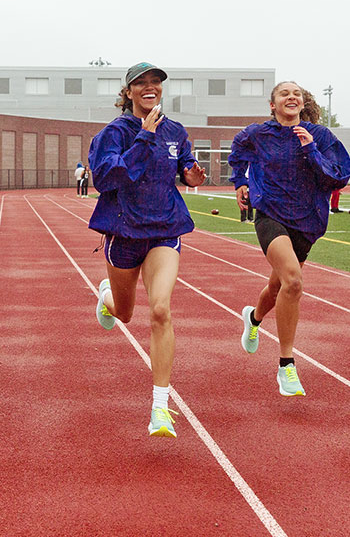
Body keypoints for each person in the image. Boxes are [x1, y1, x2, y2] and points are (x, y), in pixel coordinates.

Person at [89, 62, 205, 438]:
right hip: (124, 232)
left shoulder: (175, 131)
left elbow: (185, 164)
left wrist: (192, 173)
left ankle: (160, 407)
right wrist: (143, 138)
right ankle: (108, 297)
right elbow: (106, 178)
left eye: (155, 82)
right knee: (124, 314)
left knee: (160, 309)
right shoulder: (114, 133)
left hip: (164, 229)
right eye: (141, 83)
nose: (150, 87)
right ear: (128, 93)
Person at [230, 81, 350, 396]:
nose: (291, 96)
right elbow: (238, 152)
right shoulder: (258, 134)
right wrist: (239, 182)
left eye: (296, 93)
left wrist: (311, 149)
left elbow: (339, 176)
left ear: (302, 102)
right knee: (294, 282)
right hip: (270, 213)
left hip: (307, 222)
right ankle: (287, 365)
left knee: (277, 286)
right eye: (284, 93)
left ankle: (253, 318)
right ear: (273, 105)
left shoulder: (321, 137)